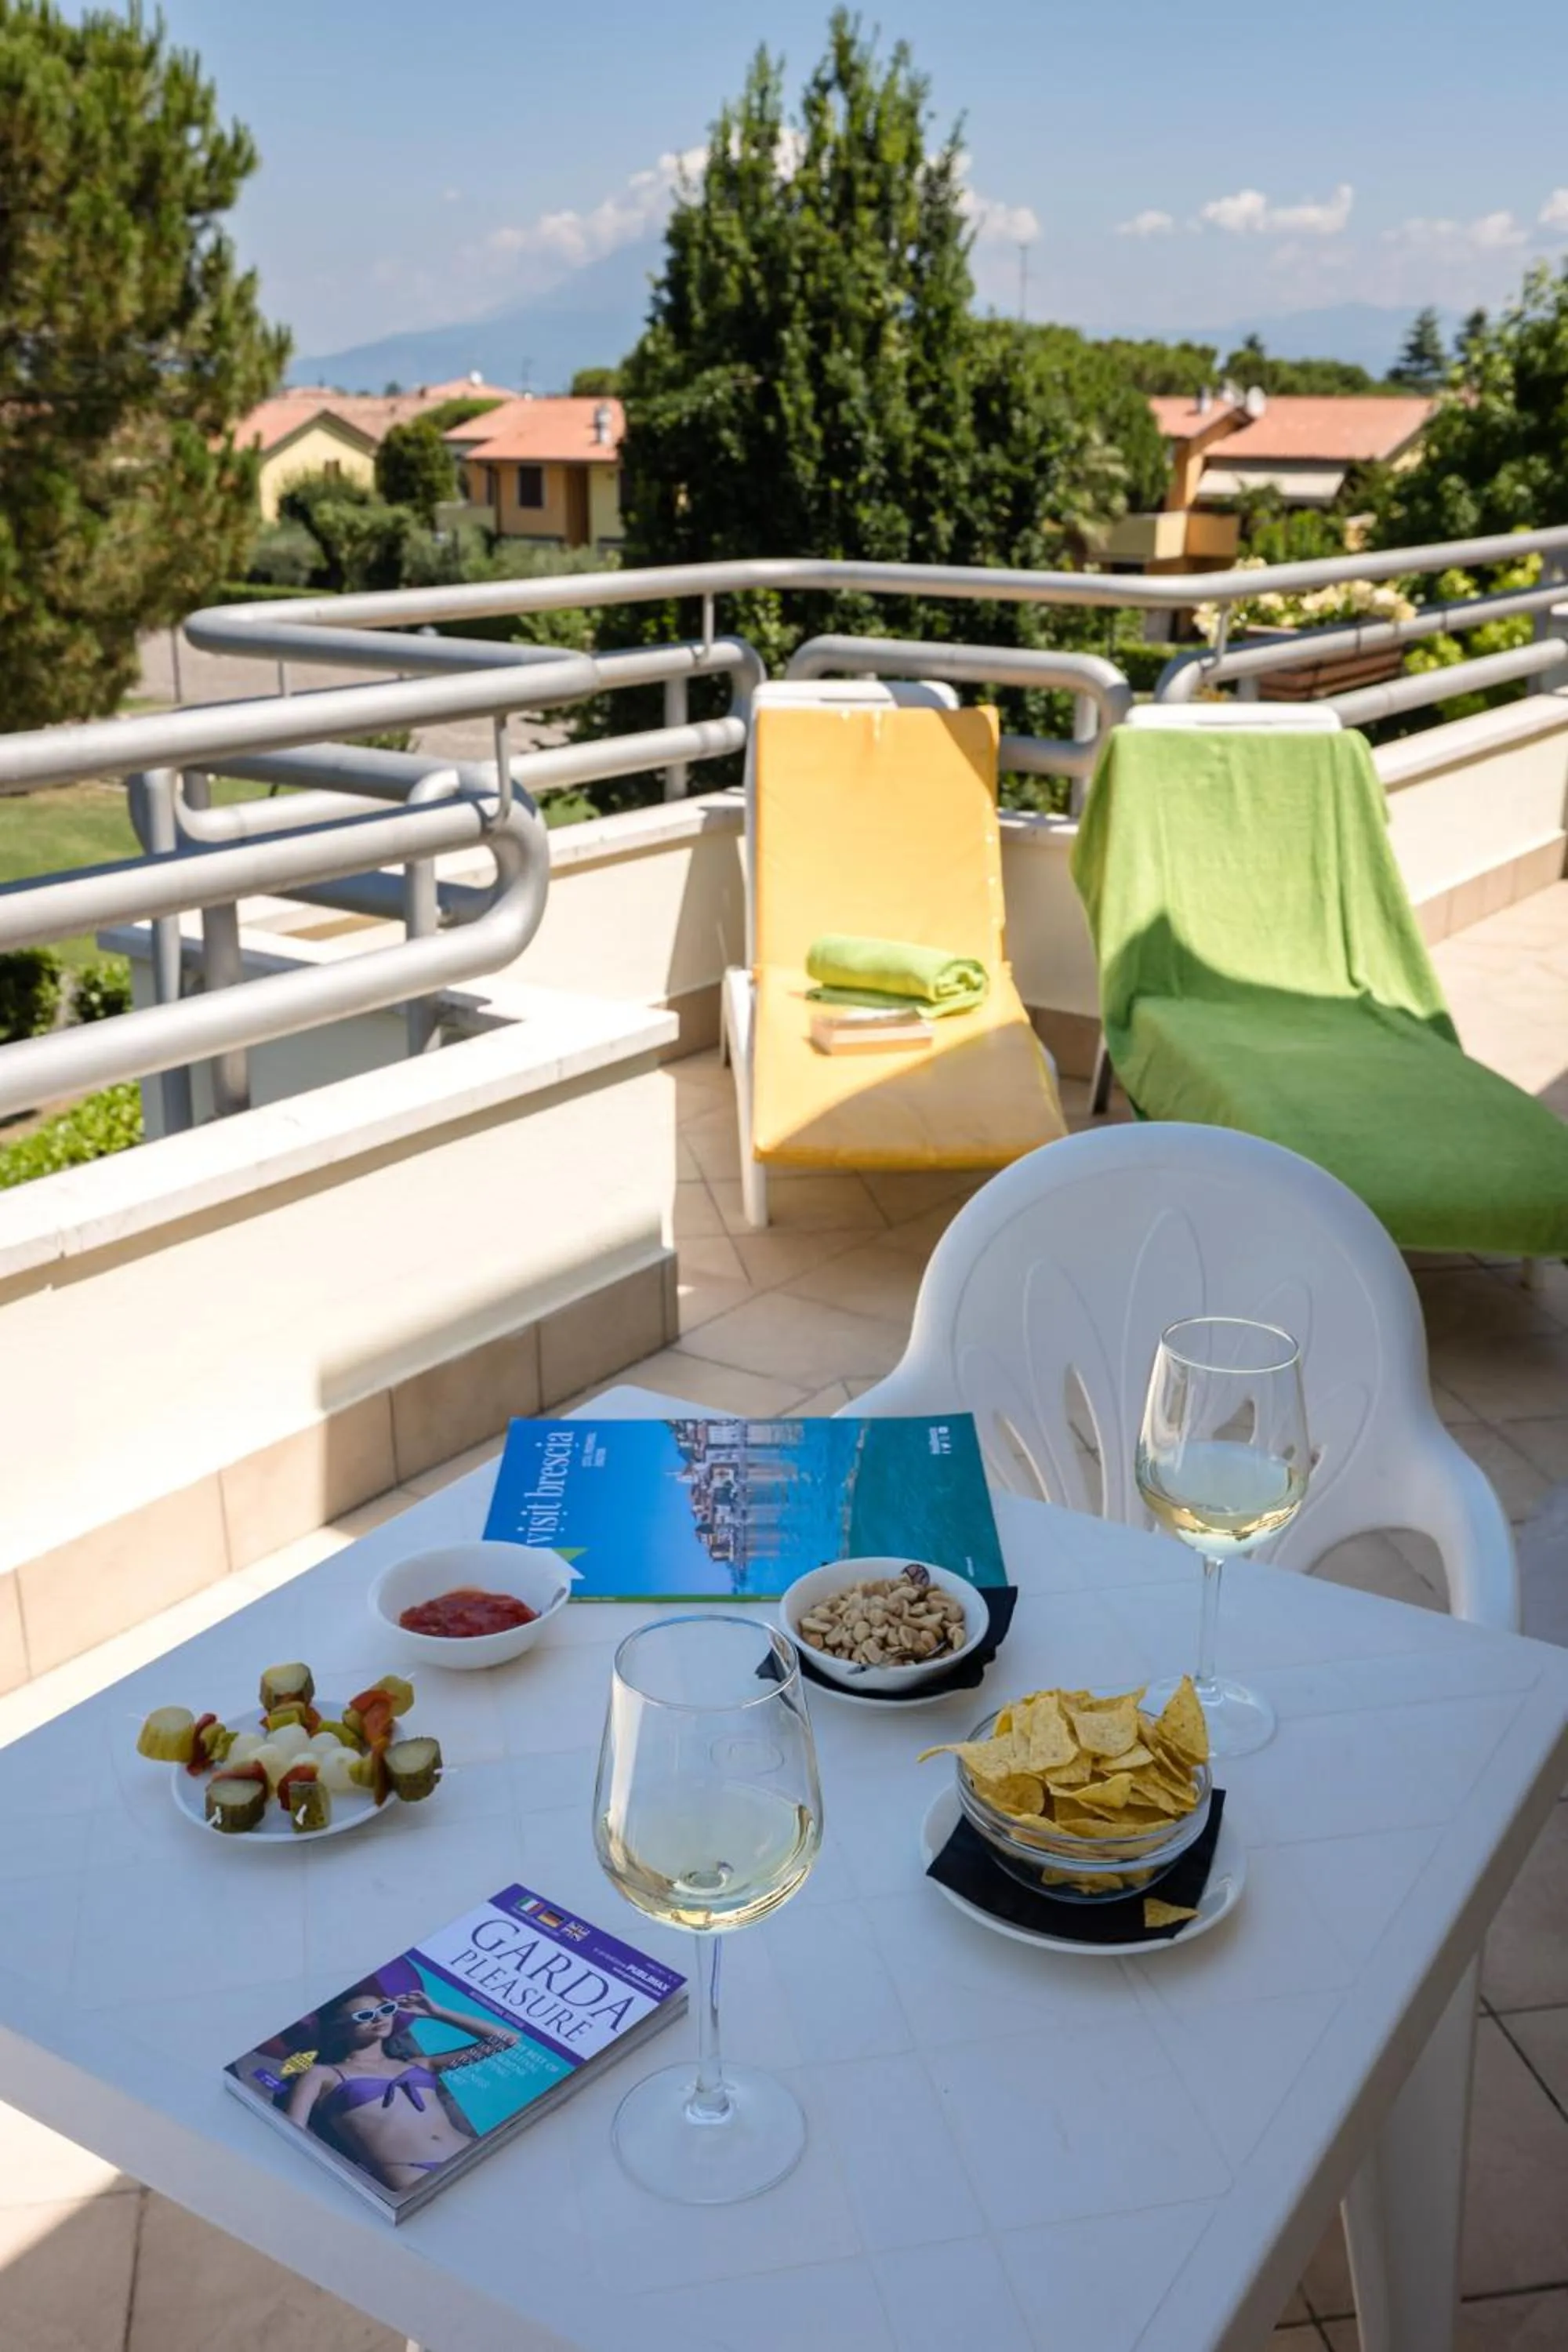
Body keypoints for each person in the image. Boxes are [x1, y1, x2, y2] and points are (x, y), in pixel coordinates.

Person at [285, 1982, 518, 2193]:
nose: (379, 2019)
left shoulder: (421, 2064)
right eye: (366, 2015)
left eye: (385, 2011)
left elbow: (506, 2041)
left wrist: (437, 2013)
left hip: (470, 2155)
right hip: (411, 2175)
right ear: (340, 2028)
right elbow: (291, 2135)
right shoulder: (322, 2074)